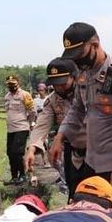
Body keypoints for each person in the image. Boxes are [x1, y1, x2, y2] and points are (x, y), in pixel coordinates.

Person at [50, 22, 112, 222]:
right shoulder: (84, 74)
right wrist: (60, 137)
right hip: (92, 159)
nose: (77, 59)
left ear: (94, 44)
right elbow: (77, 108)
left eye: (80, 52)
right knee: (88, 214)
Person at [24, 57, 87, 199]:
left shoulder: (87, 93)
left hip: (95, 149)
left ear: (74, 77)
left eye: (63, 84)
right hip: (72, 148)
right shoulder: (52, 100)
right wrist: (32, 149)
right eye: (55, 84)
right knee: (74, 190)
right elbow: (41, 125)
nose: (59, 88)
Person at [4, 75, 36, 185]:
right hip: (11, 129)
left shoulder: (25, 95)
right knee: (10, 153)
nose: (11, 86)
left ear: (18, 84)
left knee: (17, 152)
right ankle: (14, 177)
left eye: (13, 84)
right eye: (9, 85)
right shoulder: (7, 96)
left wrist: (32, 123)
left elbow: (32, 111)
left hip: (22, 127)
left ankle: (22, 175)